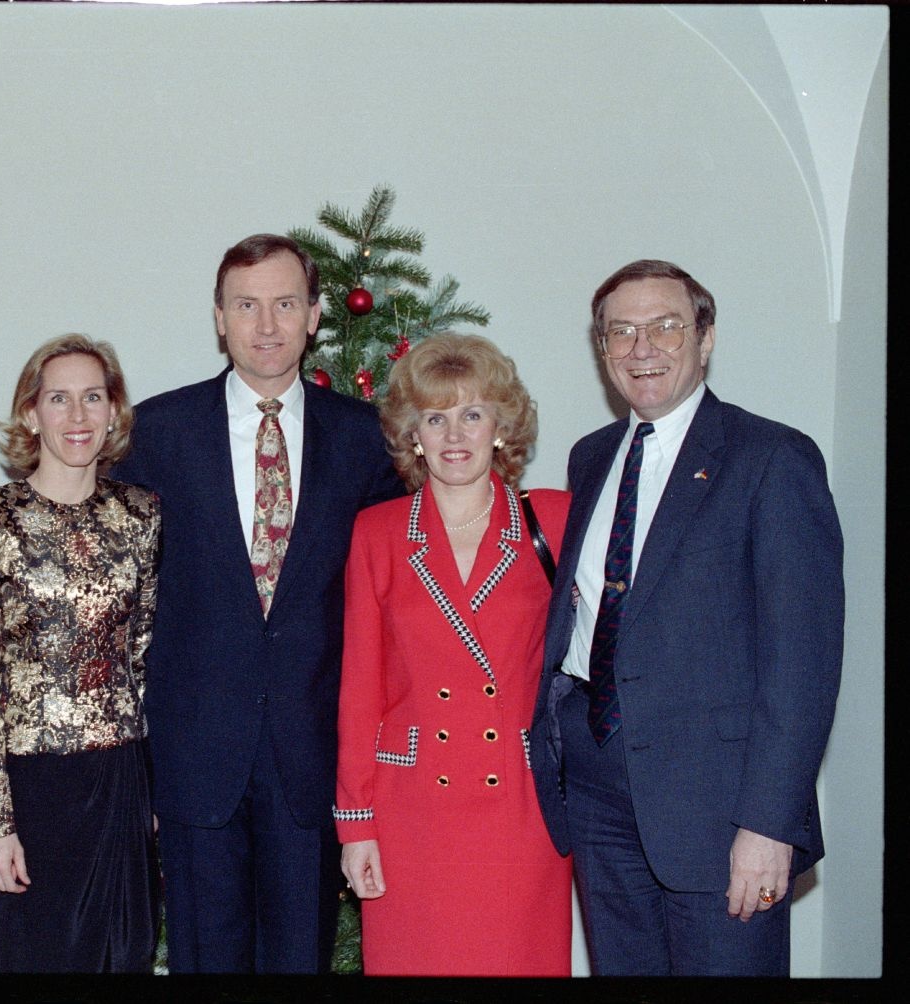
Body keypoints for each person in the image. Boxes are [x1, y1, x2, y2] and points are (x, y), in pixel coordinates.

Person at [528, 260, 843, 975]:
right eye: (622, 331)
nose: (643, 348)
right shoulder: (592, 457)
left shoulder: (772, 459)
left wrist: (768, 825)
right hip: (598, 789)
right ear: (603, 349)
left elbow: (803, 665)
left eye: (666, 326)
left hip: (719, 804)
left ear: (705, 338)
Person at [111, 234, 403, 973]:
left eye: (284, 304)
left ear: (314, 317)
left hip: (313, 758)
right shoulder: (154, 436)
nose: (266, 325)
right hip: (194, 760)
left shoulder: (367, 441)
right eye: (246, 306)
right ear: (219, 318)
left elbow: (389, 606)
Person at [335, 334, 573, 975]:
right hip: (411, 809)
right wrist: (355, 823)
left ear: (501, 427)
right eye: (435, 419)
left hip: (520, 807)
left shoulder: (552, 520)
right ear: (413, 437)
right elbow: (360, 687)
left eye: (472, 413)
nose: (454, 434)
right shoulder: (378, 533)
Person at [0, 334, 159, 973]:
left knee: (124, 960)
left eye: (93, 398)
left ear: (114, 412)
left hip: (119, 783)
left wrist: (151, 791)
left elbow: (145, 656)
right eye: (59, 398)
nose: (77, 417)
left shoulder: (142, 514)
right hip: (29, 789)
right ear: (31, 413)